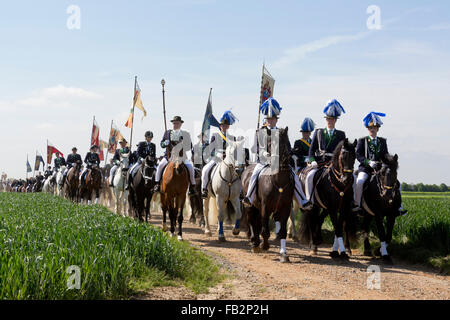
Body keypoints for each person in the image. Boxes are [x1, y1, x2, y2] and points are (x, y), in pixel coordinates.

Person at [242, 97, 312, 210]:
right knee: (254, 174)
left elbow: (288, 148)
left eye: (272, 119)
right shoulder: (260, 131)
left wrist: (288, 155)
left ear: (276, 119)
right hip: (264, 162)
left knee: (295, 177)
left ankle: (302, 200)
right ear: (266, 119)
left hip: (280, 163)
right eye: (268, 119)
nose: (270, 121)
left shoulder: (281, 132)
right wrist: (265, 155)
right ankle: (249, 197)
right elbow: (256, 149)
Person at [353, 112, 407, 215]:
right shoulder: (362, 141)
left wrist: (387, 163)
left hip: (380, 169)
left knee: (397, 183)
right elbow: (358, 155)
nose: (372, 129)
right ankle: (357, 205)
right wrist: (368, 162)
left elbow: (385, 155)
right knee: (359, 182)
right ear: (367, 129)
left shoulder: (382, 141)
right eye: (370, 128)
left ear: (378, 129)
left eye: (374, 127)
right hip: (365, 169)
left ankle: (398, 206)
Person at [304, 99, 347, 202]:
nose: (329, 121)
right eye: (328, 119)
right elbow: (311, 150)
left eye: (332, 119)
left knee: (350, 178)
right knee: (309, 176)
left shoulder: (341, 134)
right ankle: (309, 200)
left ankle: (350, 203)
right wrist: (312, 160)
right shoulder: (318, 132)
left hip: (334, 164)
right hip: (320, 162)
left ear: (335, 120)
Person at [153, 116, 197, 195]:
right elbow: (161, 144)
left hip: (182, 156)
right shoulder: (167, 133)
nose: (175, 125)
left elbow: (190, 146)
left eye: (177, 123)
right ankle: (157, 184)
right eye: (174, 123)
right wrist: (164, 143)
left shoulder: (185, 134)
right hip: (169, 156)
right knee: (160, 166)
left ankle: (192, 186)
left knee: (190, 168)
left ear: (181, 124)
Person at [201, 110, 238, 199]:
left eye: (225, 125)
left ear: (228, 126)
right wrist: (218, 154)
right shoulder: (215, 135)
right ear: (220, 126)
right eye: (222, 125)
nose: (224, 127)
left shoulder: (232, 137)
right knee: (206, 170)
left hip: (229, 159)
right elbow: (211, 149)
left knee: (238, 171)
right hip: (217, 158)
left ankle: (240, 192)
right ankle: (205, 189)